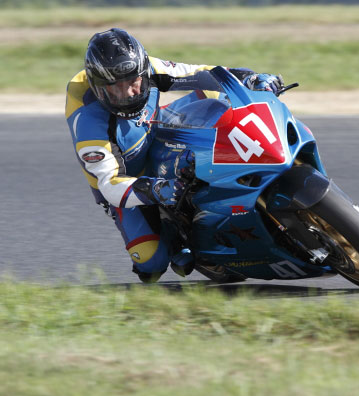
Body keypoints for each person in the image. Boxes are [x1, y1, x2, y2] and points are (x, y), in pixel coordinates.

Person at [65, 28, 284, 283]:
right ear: (98, 88)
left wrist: (251, 79)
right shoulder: (88, 124)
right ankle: (175, 236)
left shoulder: (148, 68)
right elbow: (110, 186)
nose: (128, 94)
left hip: (155, 130)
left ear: (142, 71)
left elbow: (200, 75)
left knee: (217, 99)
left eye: (133, 83)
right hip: (127, 180)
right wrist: (159, 190)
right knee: (151, 264)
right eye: (116, 88)